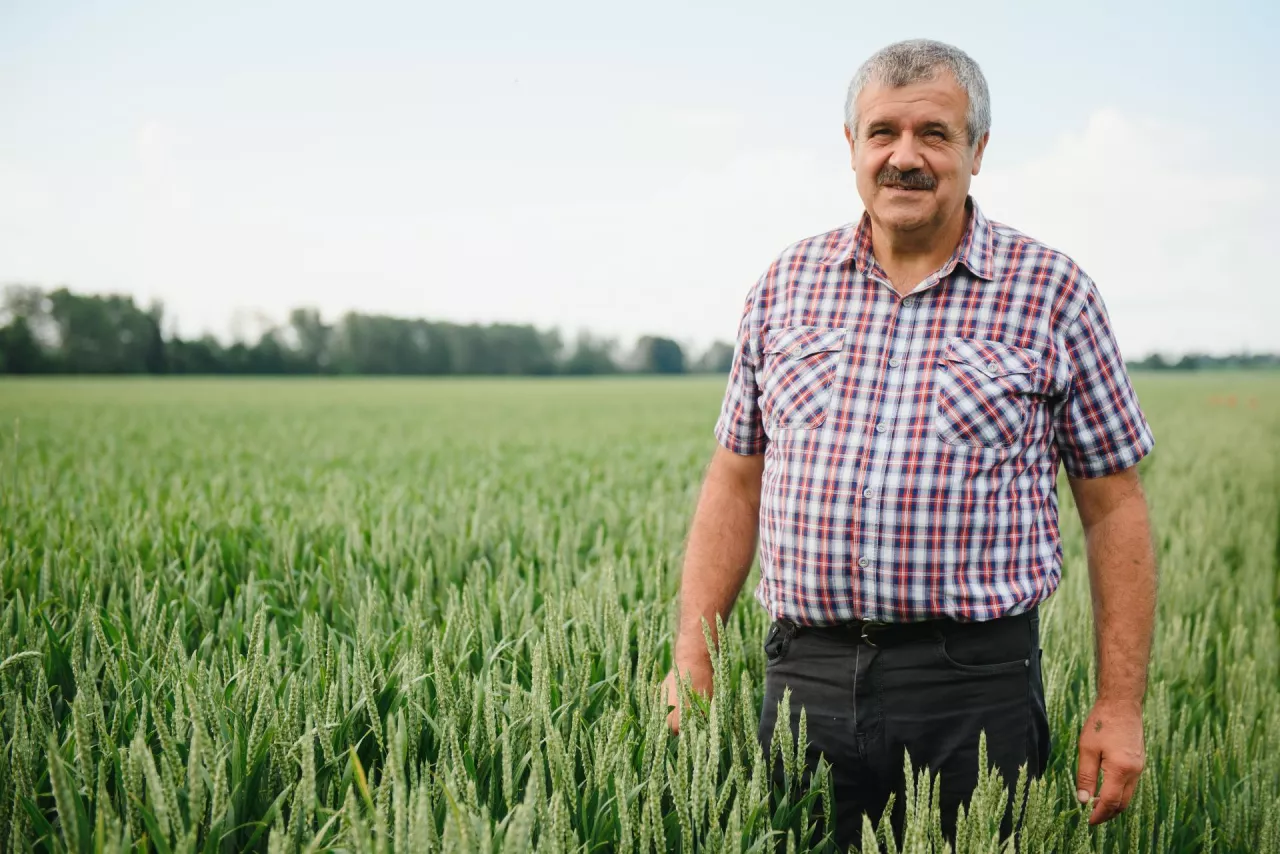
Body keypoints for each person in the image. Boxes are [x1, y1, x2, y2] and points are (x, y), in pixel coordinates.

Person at [661, 38, 1158, 850]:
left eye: (935, 132)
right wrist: (693, 655)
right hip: (803, 677)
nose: (906, 156)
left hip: (973, 688)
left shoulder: (1054, 294)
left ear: (978, 150)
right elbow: (734, 483)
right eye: (883, 132)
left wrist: (1120, 704)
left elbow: (1116, 510)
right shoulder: (786, 285)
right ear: (850, 147)